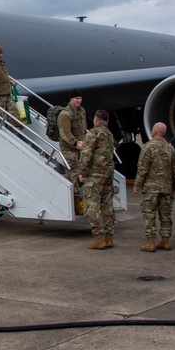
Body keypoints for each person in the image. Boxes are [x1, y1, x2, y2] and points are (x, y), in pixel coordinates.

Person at [134, 122, 175, 252]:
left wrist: (137, 184)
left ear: (154, 132)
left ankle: (151, 242)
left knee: (149, 215)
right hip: (166, 188)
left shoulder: (148, 147)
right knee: (165, 215)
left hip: (151, 188)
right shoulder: (170, 149)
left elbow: (143, 168)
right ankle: (165, 241)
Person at [77, 110, 116, 250]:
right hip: (108, 174)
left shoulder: (93, 133)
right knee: (107, 206)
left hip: (95, 175)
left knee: (91, 206)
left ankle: (99, 238)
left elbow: (86, 153)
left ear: (95, 120)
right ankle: (109, 237)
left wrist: (82, 171)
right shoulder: (110, 135)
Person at [58, 90, 87, 185]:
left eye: (80, 98)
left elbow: (83, 128)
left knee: (81, 174)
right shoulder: (65, 114)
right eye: (76, 98)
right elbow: (64, 132)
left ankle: (78, 196)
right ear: (71, 99)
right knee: (74, 174)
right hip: (69, 148)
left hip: (81, 147)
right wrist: (75, 143)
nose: (79, 101)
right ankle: (75, 197)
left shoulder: (82, 111)